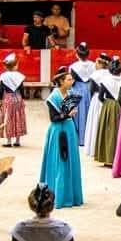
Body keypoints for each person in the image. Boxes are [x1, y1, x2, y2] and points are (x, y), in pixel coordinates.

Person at [39, 66, 84, 209]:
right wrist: (67, 115)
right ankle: (57, 195)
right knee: (59, 161)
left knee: (70, 161)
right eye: (69, 79)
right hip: (58, 131)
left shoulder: (70, 94)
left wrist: (72, 113)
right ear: (61, 81)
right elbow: (53, 118)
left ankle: (71, 195)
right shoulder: (53, 97)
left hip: (69, 129)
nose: (72, 81)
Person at [94, 57, 121, 166]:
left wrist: (107, 104)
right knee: (119, 132)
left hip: (108, 105)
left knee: (108, 132)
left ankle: (107, 157)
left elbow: (100, 97)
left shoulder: (105, 80)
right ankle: (118, 159)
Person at [0, 53, 28, 148]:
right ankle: (17, 140)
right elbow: (22, 89)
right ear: (15, 65)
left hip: (8, 98)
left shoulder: (3, 76)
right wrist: (23, 99)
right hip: (18, 97)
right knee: (19, 117)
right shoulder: (20, 76)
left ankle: (8, 141)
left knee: (8, 118)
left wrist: (0, 101)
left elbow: (1, 90)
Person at [83, 53, 110, 158]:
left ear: (99, 63)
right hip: (107, 100)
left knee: (95, 122)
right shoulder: (110, 74)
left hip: (96, 99)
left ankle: (93, 147)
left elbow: (91, 90)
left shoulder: (95, 75)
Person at [68, 43, 95, 146]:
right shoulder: (93, 65)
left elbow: (72, 81)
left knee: (78, 113)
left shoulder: (73, 66)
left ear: (77, 54)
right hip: (89, 89)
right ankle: (87, 139)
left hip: (77, 89)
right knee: (88, 113)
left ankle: (78, 138)